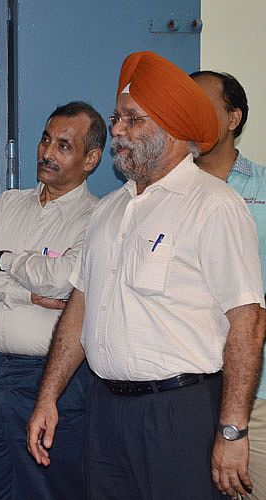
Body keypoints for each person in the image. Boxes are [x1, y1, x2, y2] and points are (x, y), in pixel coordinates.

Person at [27, 51, 265, 500]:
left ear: (173, 128)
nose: (117, 129)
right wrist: (48, 397)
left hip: (179, 413)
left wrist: (232, 431)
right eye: (118, 118)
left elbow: (248, 321)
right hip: (106, 411)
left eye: (132, 120)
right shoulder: (108, 211)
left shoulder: (213, 204)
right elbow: (79, 308)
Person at [0, 101, 104, 500]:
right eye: (45, 140)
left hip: (46, 376)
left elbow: (61, 281)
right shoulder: (7, 203)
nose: (47, 153)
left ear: (91, 159)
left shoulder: (97, 218)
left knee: (46, 487)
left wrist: (3, 259)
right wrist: (20, 291)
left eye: (64, 146)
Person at [191, 70, 266, 499]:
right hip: (183, 391)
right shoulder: (163, 191)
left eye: (202, 106)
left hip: (254, 395)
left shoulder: (261, 188)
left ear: (234, 117)